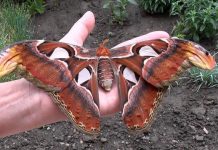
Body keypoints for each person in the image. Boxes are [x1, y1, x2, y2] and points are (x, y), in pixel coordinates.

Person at [0, 11, 169, 138]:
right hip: (103, 73)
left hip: (85, 73)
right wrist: (18, 55)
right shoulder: (124, 52)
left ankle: (133, 113)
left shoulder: (79, 54)